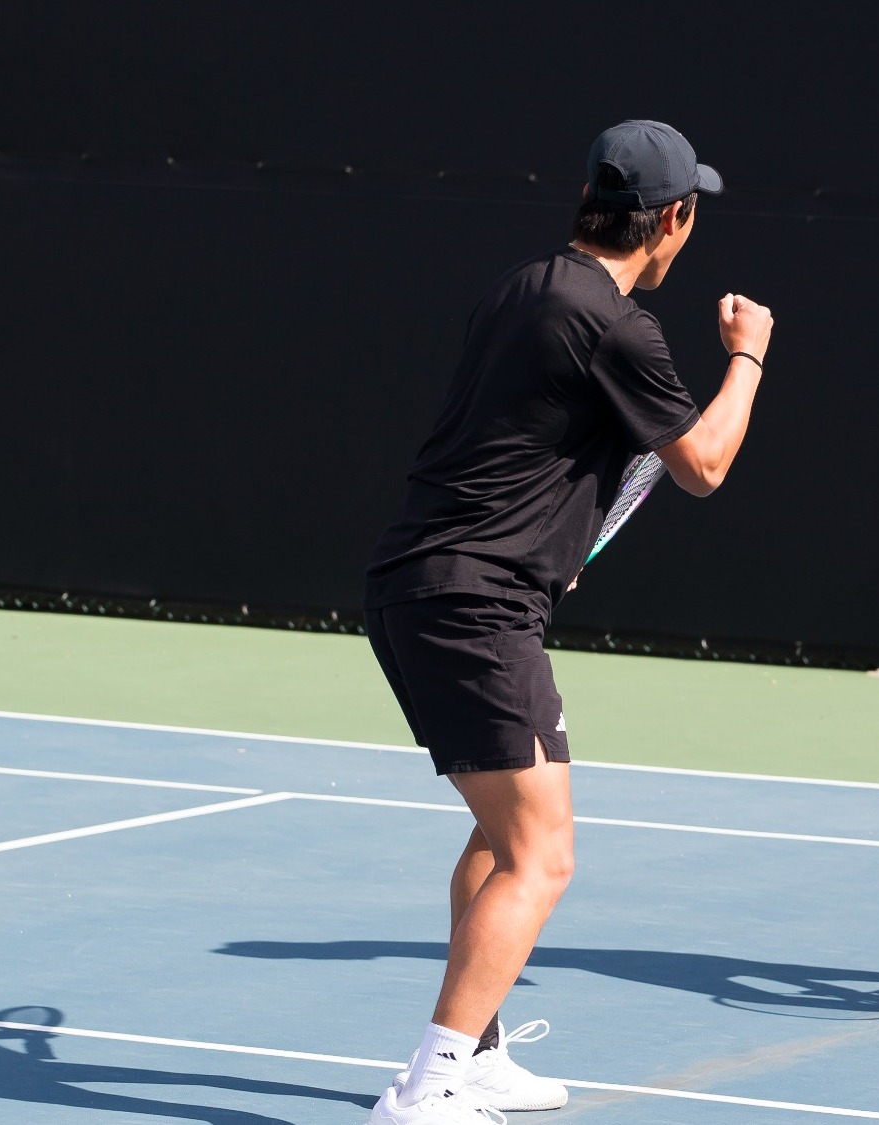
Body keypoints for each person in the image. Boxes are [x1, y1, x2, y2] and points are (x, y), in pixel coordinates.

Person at [359, 119, 773, 1122]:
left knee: (500, 839)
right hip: (474, 602)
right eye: (691, 214)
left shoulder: (524, 287)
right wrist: (747, 359)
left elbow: (522, 446)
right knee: (542, 856)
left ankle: (481, 1052)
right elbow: (704, 465)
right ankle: (429, 1087)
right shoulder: (615, 324)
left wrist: (547, 543)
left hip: (431, 586)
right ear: (670, 219)